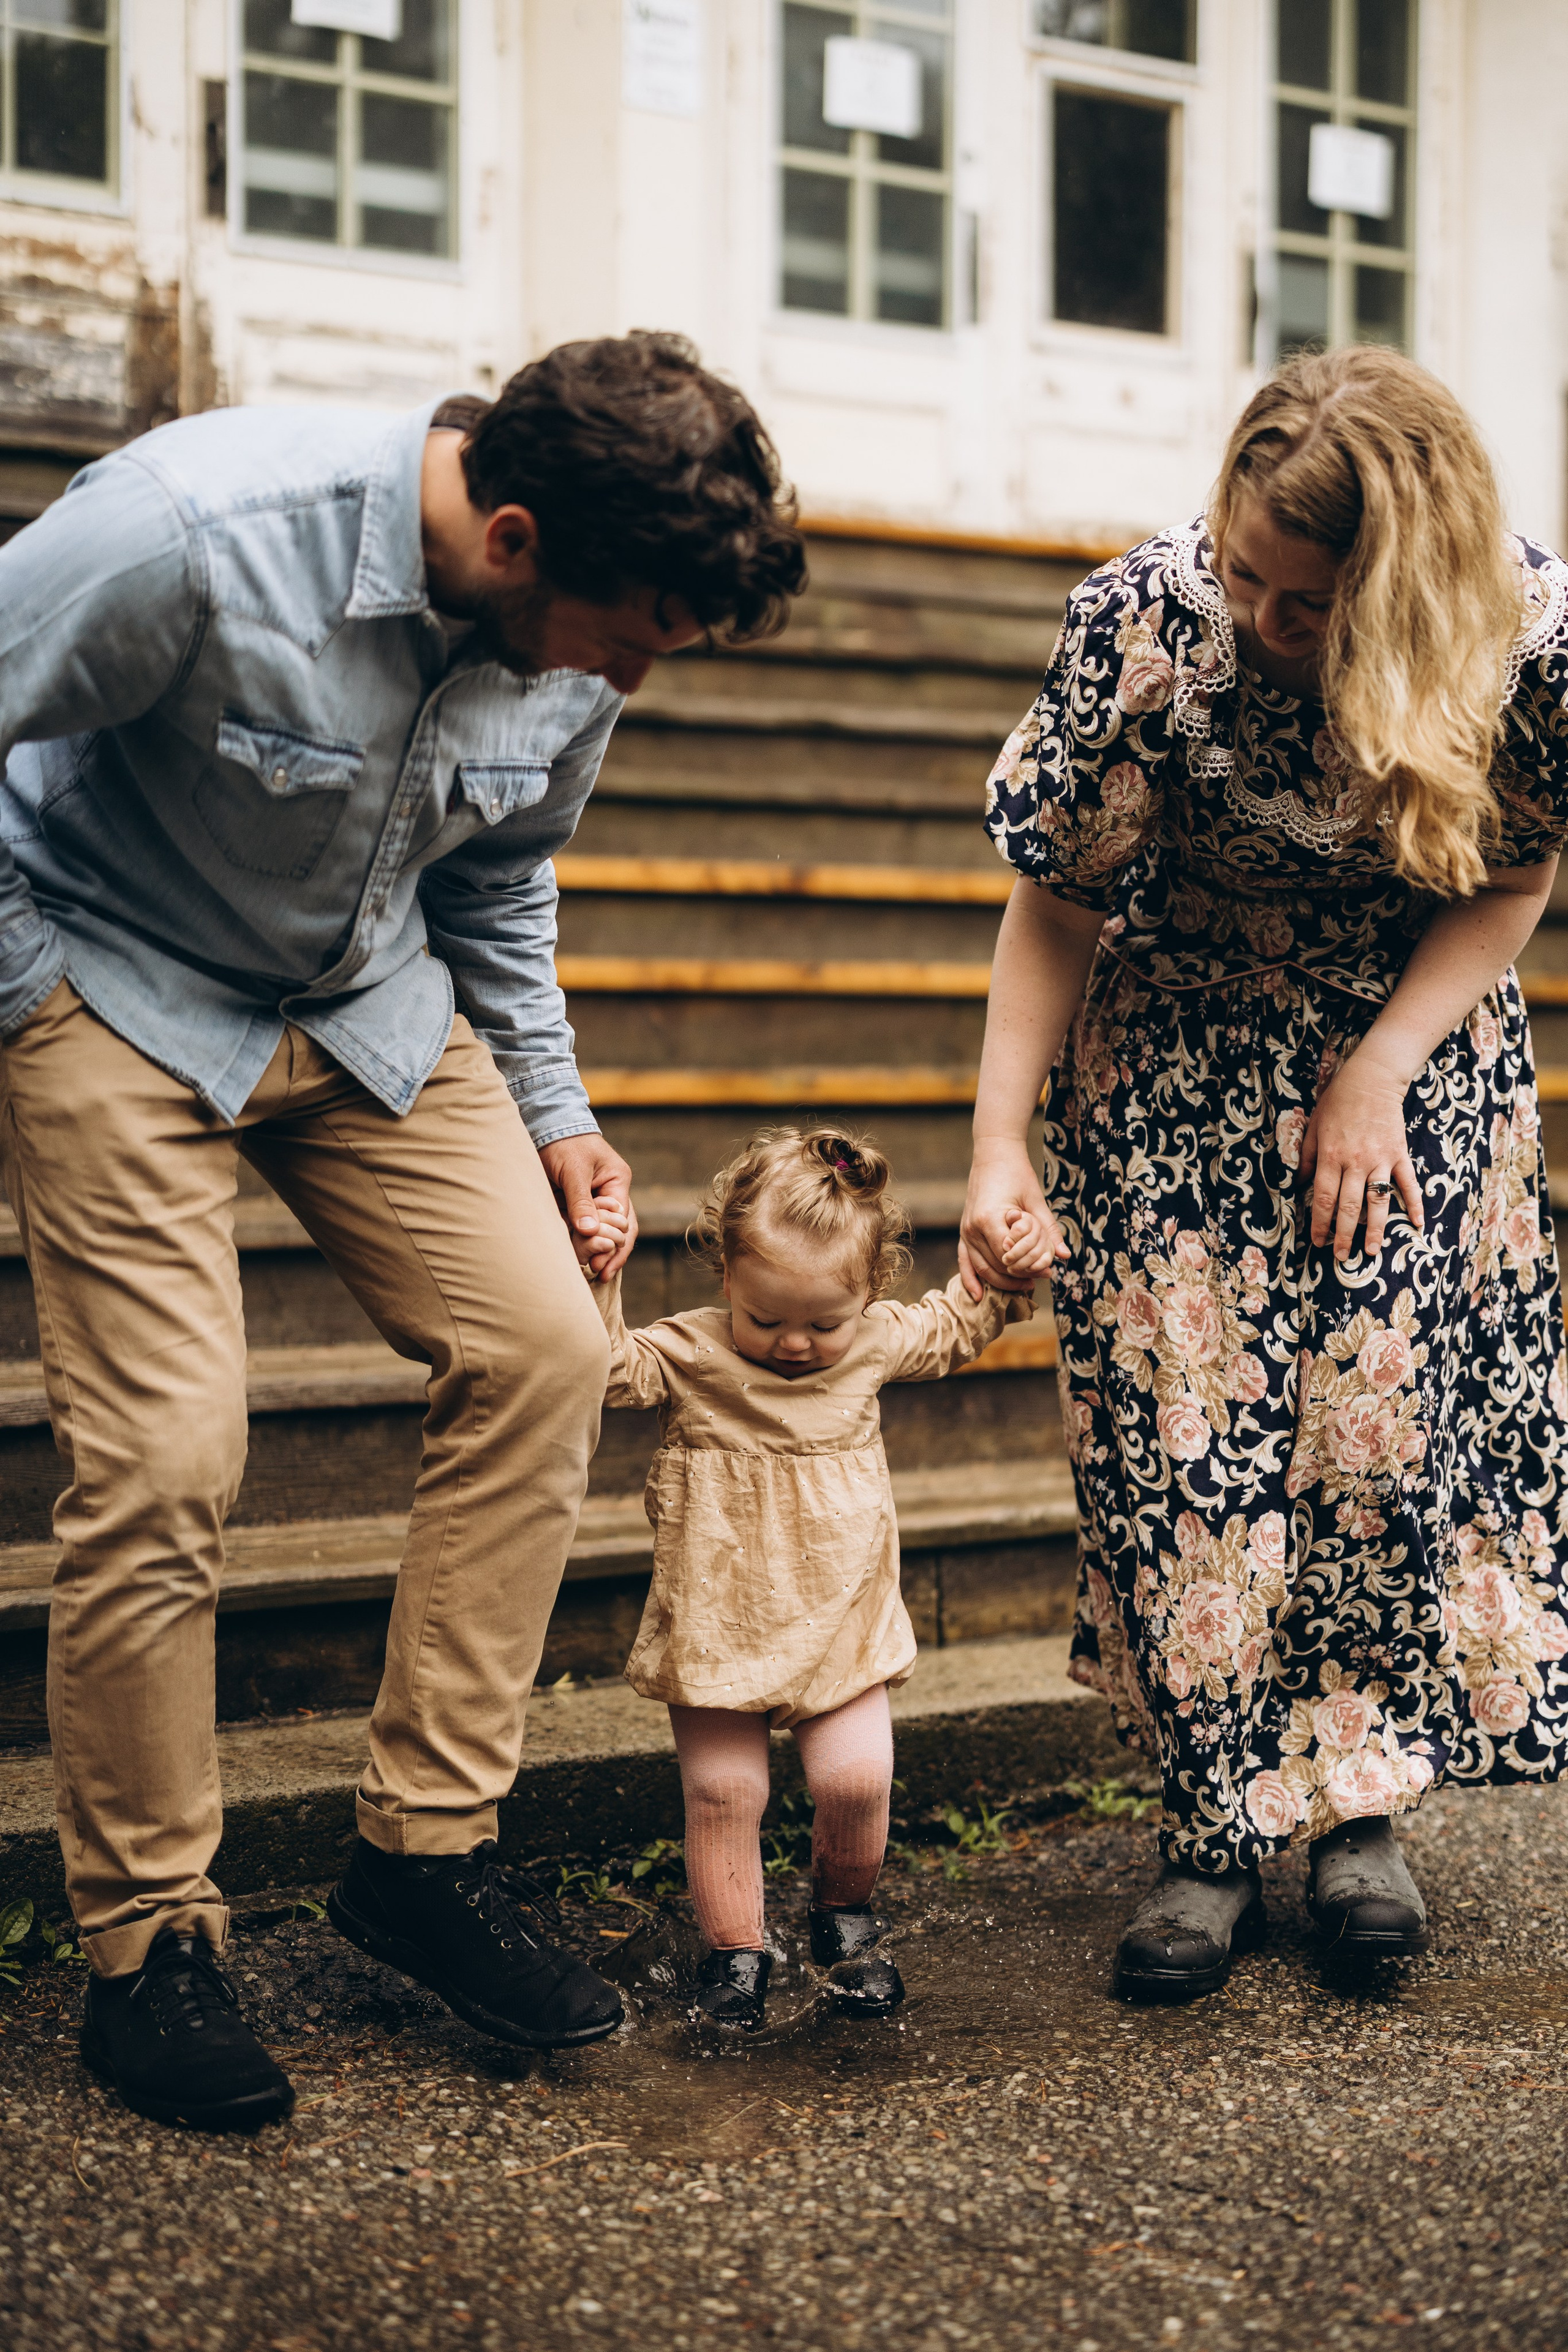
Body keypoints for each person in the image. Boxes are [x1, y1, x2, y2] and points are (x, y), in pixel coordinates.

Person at [0, 332, 806, 2127]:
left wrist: (559, 1114)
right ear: (511, 537)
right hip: (110, 981)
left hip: (369, 997)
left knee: (544, 1349)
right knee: (169, 1456)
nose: (626, 678)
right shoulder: (189, 531)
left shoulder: (582, 633)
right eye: (623, 639)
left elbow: (502, 883)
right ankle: (146, 1947)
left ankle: (423, 1851)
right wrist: (28, 992)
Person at [962, 344, 1568, 2001]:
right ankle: (1209, 1827)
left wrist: (1378, 1068)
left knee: (1375, 1435)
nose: (1261, 617)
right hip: (1171, 1055)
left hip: (1410, 1056)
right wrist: (997, 1139)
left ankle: (1360, 1816)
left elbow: (1510, 881)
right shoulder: (1148, 629)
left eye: (1304, 601)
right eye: (1244, 570)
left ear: (1404, 588)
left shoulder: (1527, 646)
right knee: (1184, 1443)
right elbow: (1056, 902)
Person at [590, 1129, 1044, 2030]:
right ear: (725, 1277)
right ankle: (737, 1952)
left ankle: (844, 1916)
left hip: (840, 1618)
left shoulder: (873, 1343)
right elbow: (607, 1371)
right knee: (728, 1794)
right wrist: (601, 1278)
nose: (794, 1343)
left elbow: (959, 1324)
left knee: (856, 1780)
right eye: (766, 1319)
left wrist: (1008, 1255)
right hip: (722, 1618)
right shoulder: (690, 1352)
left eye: (823, 1325)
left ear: (867, 1296)